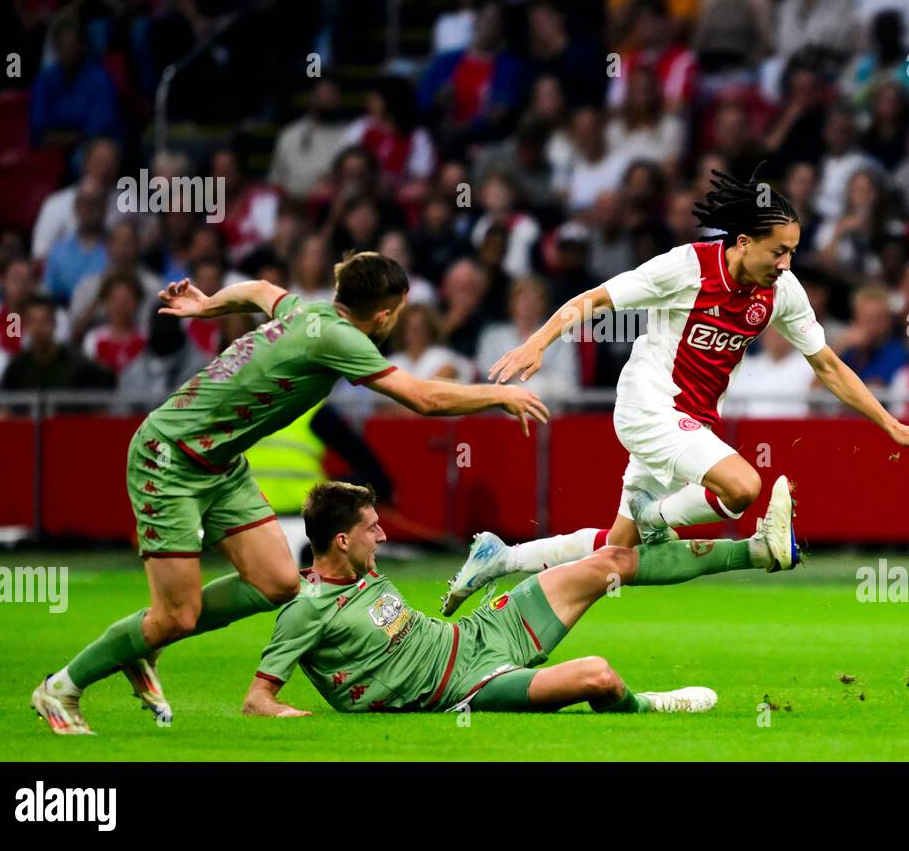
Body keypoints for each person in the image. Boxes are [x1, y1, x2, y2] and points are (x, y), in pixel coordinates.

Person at [31, 252, 550, 735]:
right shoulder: (343, 339)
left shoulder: (306, 309)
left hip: (218, 462)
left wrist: (208, 304)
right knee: (176, 614)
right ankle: (61, 688)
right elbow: (421, 396)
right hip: (168, 457)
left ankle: (146, 640)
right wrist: (497, 393)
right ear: (386, 314)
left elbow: (258, 288)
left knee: (279, 582)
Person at [439, 167, 909, 615]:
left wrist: (889, 422)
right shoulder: (685, 268)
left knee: (616, 557)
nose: (787, 263)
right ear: (744, 241)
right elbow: (593, 300)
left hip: (692, 420)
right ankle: (659, 516)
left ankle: (501, 558)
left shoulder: (781, 292)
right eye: (778, 250)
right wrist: (539, 342)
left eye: (792, 251)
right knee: (744, 487)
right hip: (649, 405)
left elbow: (829, 366)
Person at [243, 480, 800, 717]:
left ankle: (760, 552)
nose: (383, 535)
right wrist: (292, 715)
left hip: (479, 635)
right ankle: (650, 706)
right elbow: (258, 698)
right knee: (599, 677)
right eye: (372, 528)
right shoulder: (306, 608)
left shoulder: (361, 573)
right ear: (342, 540)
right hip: (466, 687)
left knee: (614, 562)